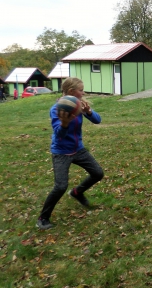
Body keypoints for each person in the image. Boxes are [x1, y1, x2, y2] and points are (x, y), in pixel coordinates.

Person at [36, 77, 104, 230]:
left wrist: (89, 112)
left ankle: (76, 192)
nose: (83, 92)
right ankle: (43, 218)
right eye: (81, 90)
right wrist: (64, 124)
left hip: (78, 149)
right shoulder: (57, 109)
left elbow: (98, 120)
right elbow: (59, 135)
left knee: (98, 173)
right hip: (61, 152)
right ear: (72, 91)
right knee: (60, 186)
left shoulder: (78, 106)